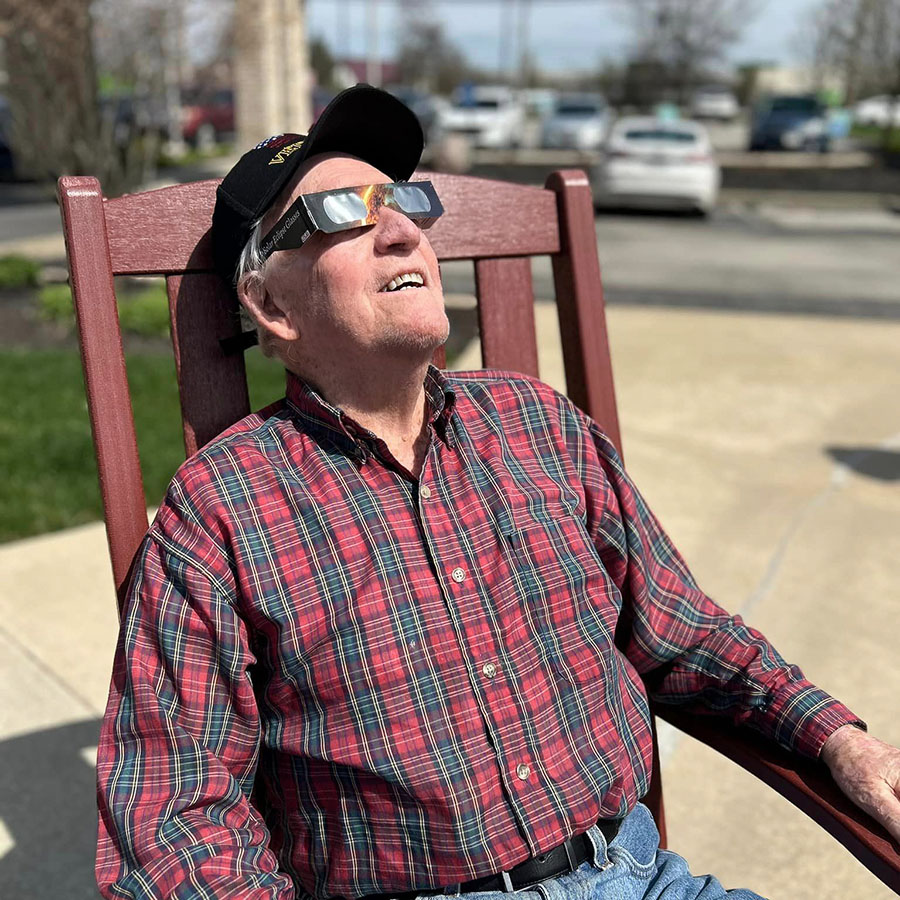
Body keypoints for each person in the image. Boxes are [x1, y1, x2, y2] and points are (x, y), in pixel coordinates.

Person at [95, 85, 900, 900]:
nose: (403, 231)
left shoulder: (539, 427)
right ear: (271, 305)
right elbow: (179, 819)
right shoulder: (224, 508)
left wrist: (840, 739)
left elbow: (683, 631)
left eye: (406, 202)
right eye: (345, 212)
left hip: (643, 878)